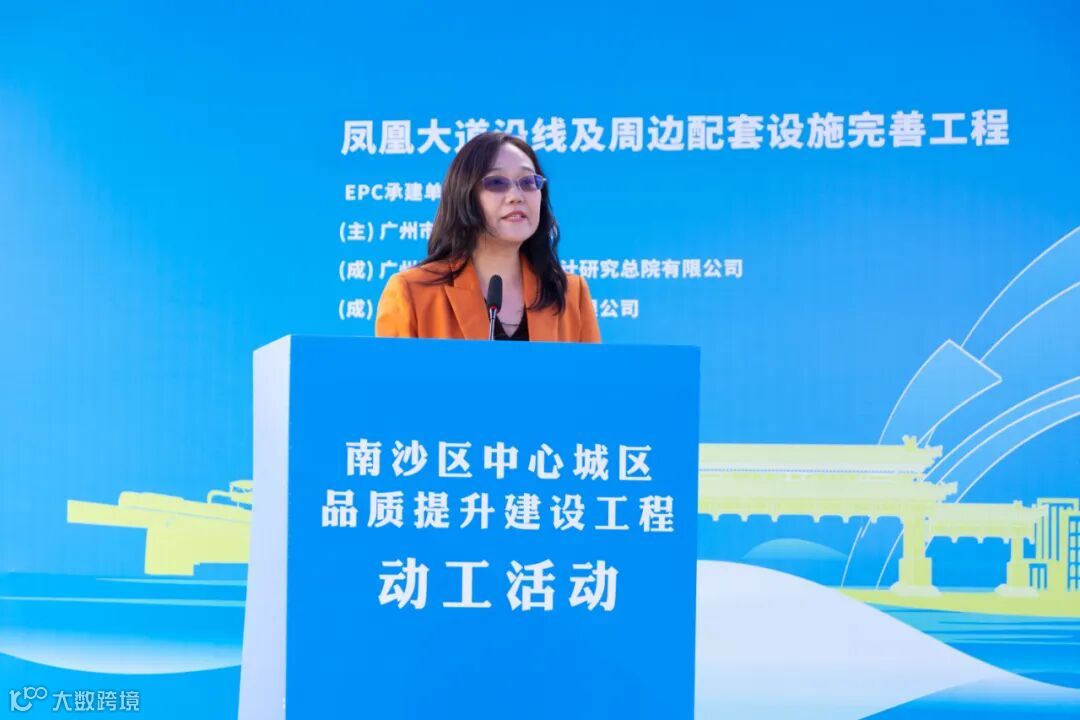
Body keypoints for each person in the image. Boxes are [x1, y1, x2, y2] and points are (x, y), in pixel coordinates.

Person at [374, 132, 601, 342]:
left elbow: (593, 374)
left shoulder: (571, 294)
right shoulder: (412, 292)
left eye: (528, 182)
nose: (516, 196)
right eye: (497, 183)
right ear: (464, 196)